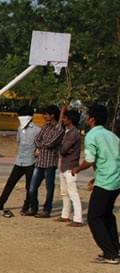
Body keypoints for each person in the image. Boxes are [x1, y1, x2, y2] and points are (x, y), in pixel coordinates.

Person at [71, 104, 120, 264]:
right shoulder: (112, 136)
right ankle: (115, 249)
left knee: (94, 217)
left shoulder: (92, 135)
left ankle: (110, 253)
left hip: (106, 181)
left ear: (92, 119)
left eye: (87, 116)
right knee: (106, 215)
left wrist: (78, 168)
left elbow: (90, 160)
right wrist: (96, 178)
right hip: (115, 180)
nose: (85, 118)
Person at [0, 106, 41, 214]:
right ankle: (0, 203)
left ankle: (27, 205)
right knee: (10, 183)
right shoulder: (19, 129)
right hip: (19, 161)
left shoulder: (37, 130)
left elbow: (39, 145)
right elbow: (19, 142)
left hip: (31, 162)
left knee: (29, 186)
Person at [27, 105, 64, 218]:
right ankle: (33, 207)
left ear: (52, 115)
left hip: (50, 163)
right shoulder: (45, 127)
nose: (44, 116)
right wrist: (42, 145)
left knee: (49, 188)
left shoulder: (59, 129)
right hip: (40, 161)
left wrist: (41, 145)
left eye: (46, 114)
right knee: (32, 187)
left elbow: (50, 143)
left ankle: (47, 210)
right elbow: (36, 139)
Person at [57, 110, 83, 227]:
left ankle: (78, 219)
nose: (63, 120)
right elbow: (64, 149)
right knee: (65, 193)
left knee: (73, 193)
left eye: (65, 118)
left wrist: (63, 148)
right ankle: (65, 215)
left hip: (70, 167)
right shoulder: (67, 132)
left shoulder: (73, 133)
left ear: (70, 120)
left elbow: (62, 149)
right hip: (64, 166)